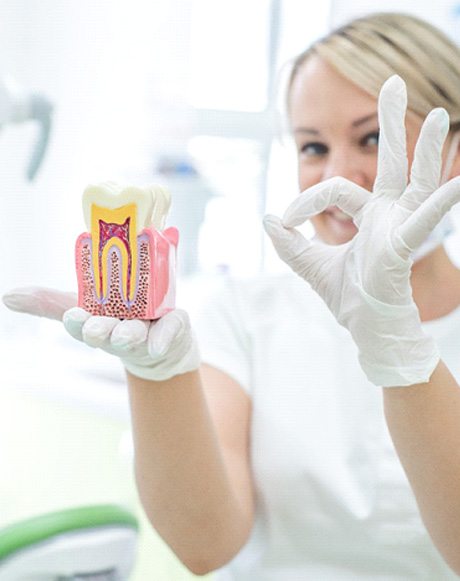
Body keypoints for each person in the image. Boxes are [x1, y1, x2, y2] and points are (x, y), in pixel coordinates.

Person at [4, 10, 460, 580]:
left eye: (371, 137)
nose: (335, 176)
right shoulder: (245, 312)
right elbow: (207, 544)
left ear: (453, 150)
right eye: (312, 147)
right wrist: (157, 376)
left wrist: (400, 350)